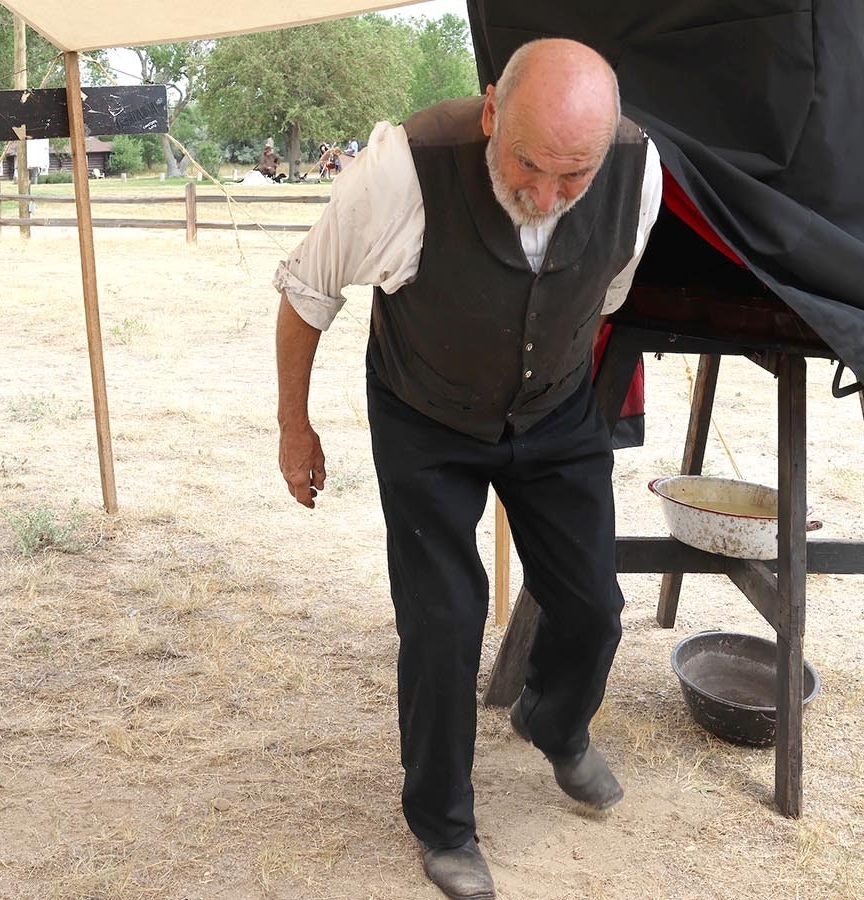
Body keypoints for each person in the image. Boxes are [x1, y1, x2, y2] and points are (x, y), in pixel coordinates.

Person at [273, 38, 661, 899]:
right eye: (527, 163)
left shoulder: (638, 172)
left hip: (554, 409)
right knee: (444, 621)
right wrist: (293, 427)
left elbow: (605, 292)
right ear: (492, 111)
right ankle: (444, 824)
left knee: (595, 604)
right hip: (426, 414)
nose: (547, 196)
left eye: (574, 177)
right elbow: (306, 297)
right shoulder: (400, 170)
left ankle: (555, 721)